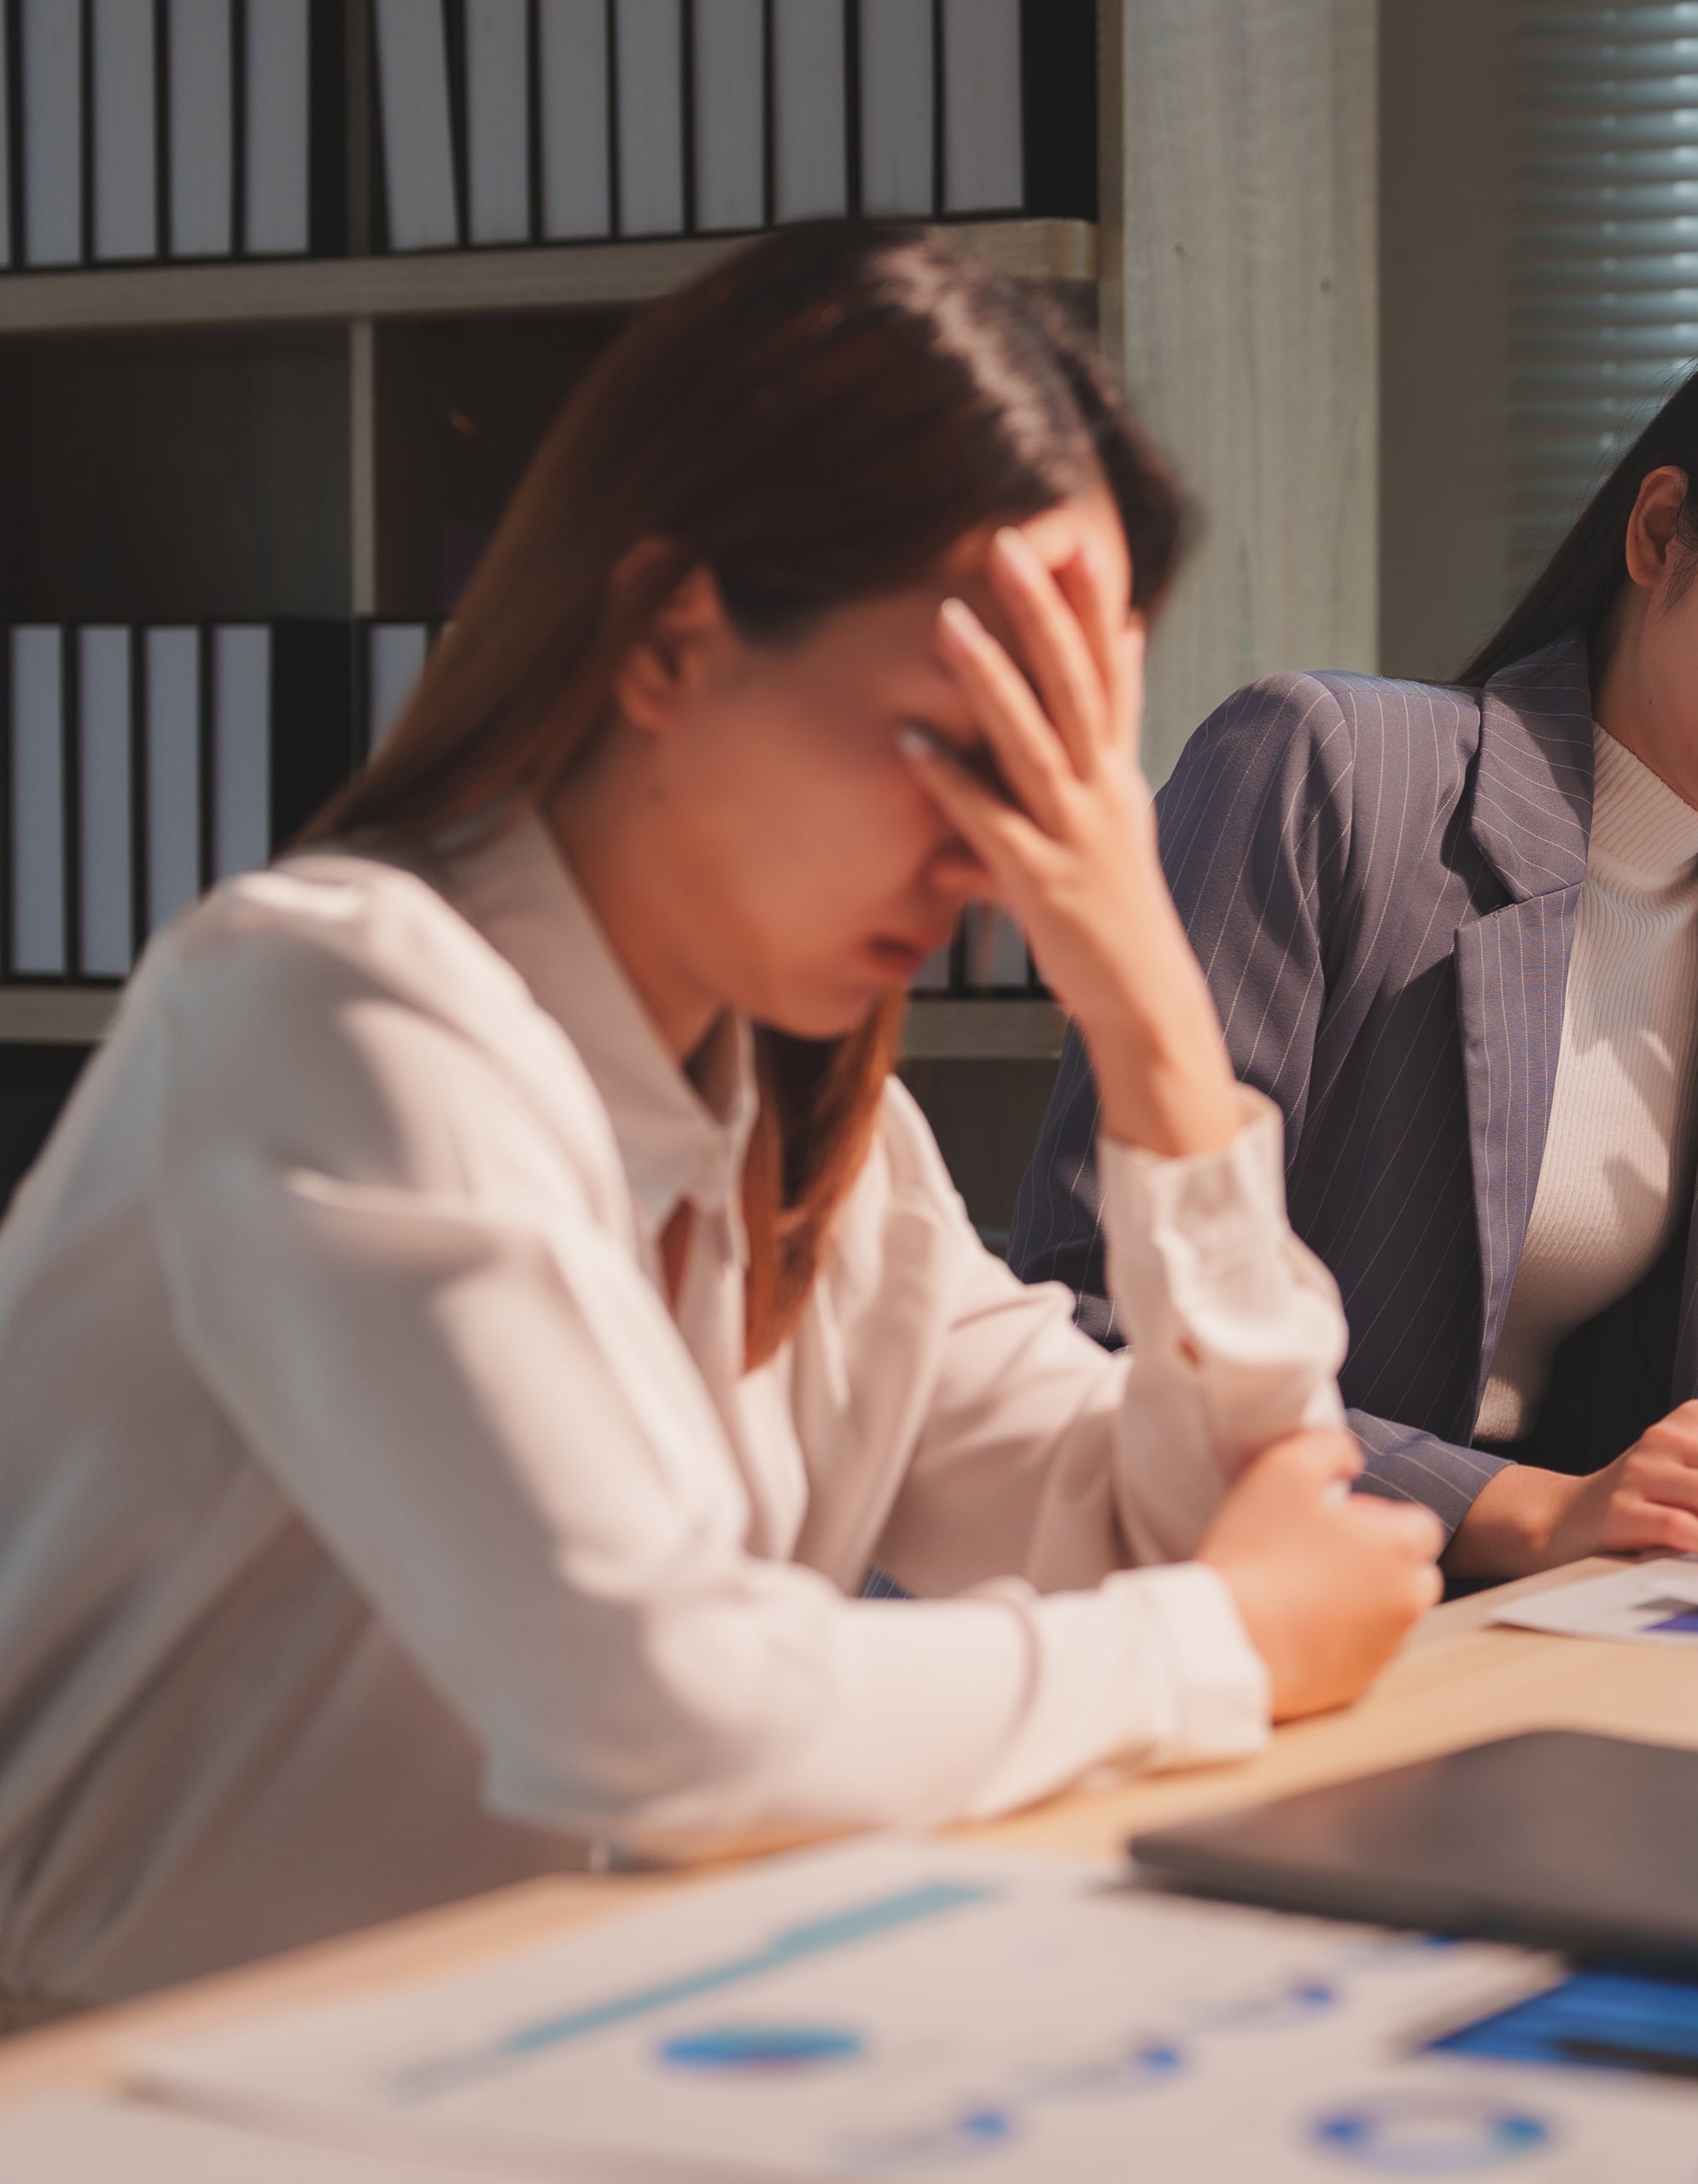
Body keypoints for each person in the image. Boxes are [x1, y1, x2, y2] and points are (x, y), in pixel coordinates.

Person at [0, 225, 1442, 2014]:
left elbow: (1224, 1530)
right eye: (961, 743)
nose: (1005, 866)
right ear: (673, 638)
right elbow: (650, 1710)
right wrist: (1217, 1636)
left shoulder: (810, 1131)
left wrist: (1149, 1003)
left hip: (476, 2068)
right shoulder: (327, 1007)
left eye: (1061, 779)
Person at [1012, 307, 1698, 1580]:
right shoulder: (1323, 775)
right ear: (1660, 535)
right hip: (1225, 1602)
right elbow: (1105, 1326)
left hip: (1538, 1637)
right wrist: (1530, 1509)